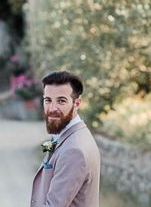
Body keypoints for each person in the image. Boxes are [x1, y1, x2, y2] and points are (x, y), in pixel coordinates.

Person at [30, 70, 101, 206]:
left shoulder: (74, 150)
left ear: (77, 103)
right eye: (48, 100)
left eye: (61, 101)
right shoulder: (69, 134)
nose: (52, 108)